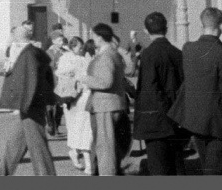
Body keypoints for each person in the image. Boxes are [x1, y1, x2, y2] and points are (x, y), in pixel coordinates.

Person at [169, 7, 222, 176]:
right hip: (218, 123)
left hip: (196, 121)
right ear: (220, 26)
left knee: (207, 169)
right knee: (216, 173)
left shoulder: (188, 49)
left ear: (201, 24)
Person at [0, 24, 56, 176]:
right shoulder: (35, 52)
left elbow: (29, 80)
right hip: (32, 102)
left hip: (30, 104)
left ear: (17, 37)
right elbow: (47, 77)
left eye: (12, 35)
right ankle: (0, 173)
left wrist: (24, 103)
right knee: (16, 142)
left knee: (37, 144)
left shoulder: (27, 55)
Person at [132, 11, 186, 176]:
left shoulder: (148, 54)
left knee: (159, 167)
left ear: (146, 31)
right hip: (176, 117)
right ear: (167, 28)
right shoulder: (177, 53)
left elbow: (149, 87)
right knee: (176, 165)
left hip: (156, 120)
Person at [80, 23, 130, 176]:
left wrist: (85, 79)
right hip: (112, 104)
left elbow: (105, 82)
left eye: (94, 36)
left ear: (100, 38)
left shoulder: (105, 56)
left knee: (105, 149)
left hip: (104, 105)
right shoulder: (113, 54)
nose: (93, 39)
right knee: (108, 147)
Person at [56, 36, 94, 174]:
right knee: (76, 129)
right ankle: (75, 152)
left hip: (84, 96)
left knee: (85, 130)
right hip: (72, 99)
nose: (81, 49)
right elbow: (61, 74)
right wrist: (72, 75)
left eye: (82, 46)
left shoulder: (84, 59)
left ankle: (82, 158)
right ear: (72, 46)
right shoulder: (65, 58)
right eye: (79, 46)